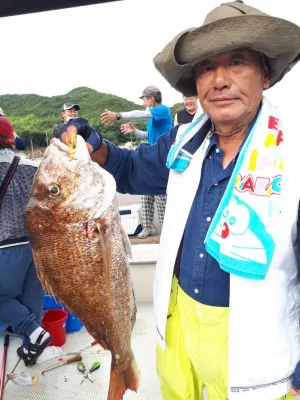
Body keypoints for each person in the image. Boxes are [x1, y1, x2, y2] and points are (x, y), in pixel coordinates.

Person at [62, 1, 300, 399]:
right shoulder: (184, 140)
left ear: (266, 75)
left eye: (237, 62)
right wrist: (95, 144)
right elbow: (131, 168)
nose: (219, 80)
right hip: (176, 318)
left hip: (253, 336)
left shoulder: (292, 154)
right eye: (207, 67)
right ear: (195, 83)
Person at [0, 117, 52, 366]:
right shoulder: (32, 167)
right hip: (36, 246)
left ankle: (33, 332)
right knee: (32, 301)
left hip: (4, 248)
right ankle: (32, 349)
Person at [101, 86, 173, 238]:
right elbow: (149, 135)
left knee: (161, 197)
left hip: (161, 160)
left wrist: (119, 115)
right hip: (149, 158)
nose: (143, 102)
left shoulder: (163, 110)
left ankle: (168, 229)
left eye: (144, 99)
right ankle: (148, 227)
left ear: (151, 99)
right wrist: (135, 132)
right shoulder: (153, 118)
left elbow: (141, 114)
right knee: (145, 194)